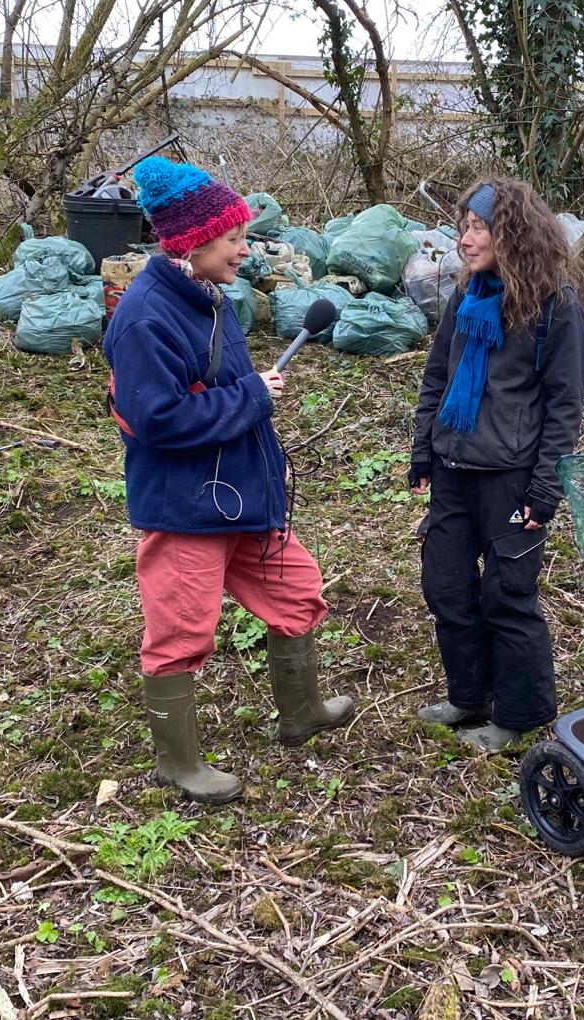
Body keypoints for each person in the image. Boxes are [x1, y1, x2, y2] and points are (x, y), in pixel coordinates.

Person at [104, 156, 354, 804]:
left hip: (241, 495)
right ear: (192, 241)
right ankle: (179, 765)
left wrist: (250, 408)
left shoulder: (210, 299)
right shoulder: (144, 317)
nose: (245, 249)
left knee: (297, 589)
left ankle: (300, 714)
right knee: (182, 631)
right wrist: (251, 397)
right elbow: (156, 420)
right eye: (234, 237)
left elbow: (221, 390)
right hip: (186, 506)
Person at [409, 177, 584, 751]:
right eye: (464, 226)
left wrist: (544, 489)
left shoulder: (555, 306)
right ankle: (469, 695)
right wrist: (423, 446)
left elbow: (565, 405)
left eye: (478, 226)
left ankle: (518, 715)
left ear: (511, 232)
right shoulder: (467, 296)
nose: (466, 238)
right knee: (446, 587)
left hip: (512, 478)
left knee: (507, 596)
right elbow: (438, 372)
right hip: (454, 468)